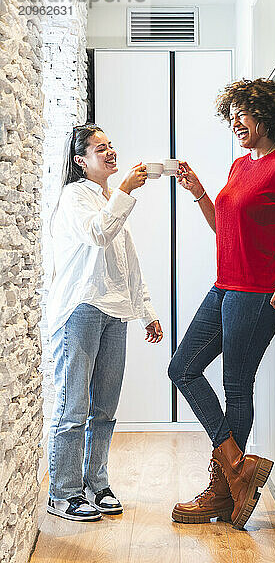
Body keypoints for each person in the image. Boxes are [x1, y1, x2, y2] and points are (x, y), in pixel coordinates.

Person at [168, 79, 275, 529]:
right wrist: (198, 193)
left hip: (259, 292)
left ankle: (221, 491)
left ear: (267, 117)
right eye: (231, 112)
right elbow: (226, 230)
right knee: (182, 368)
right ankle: (236, 469)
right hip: (226, 286)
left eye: (243, 112)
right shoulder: (238, 166)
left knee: (236, 386)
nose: (235, 119)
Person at [46, 123, 163, 522]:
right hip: (81, 309)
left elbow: (127, 263)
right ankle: (63, 493)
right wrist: (127, 191)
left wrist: (146, 310)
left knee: (105, 408)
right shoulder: (75, 197)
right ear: (81, 161)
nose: (111, 152)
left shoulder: (108, 197)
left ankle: (97, 484)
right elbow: (98, 235)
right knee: (73, 406)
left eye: (111, 145)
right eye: (100, 149)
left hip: (115, 311)